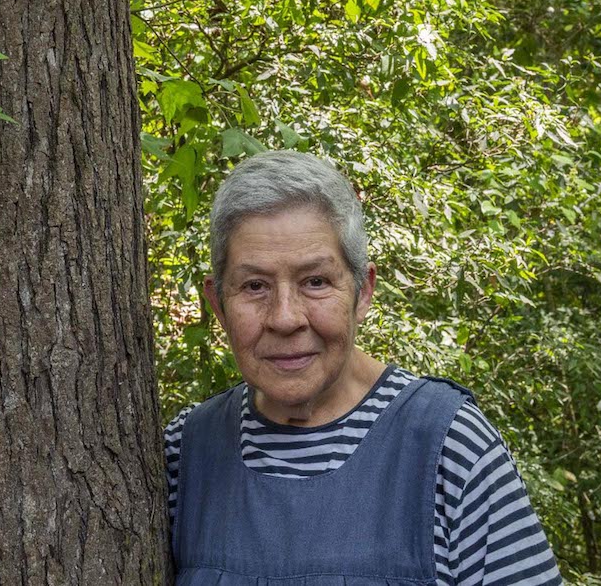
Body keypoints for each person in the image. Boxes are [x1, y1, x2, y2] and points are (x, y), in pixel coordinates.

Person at [164, 151, 562, 585]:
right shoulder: (186, 453)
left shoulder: (449, 446)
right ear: (218, 304)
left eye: (315, 281)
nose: (285, 317)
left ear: (363, 292)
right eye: (254, 286)